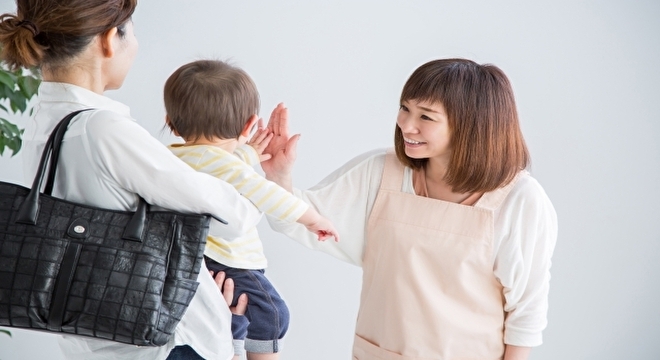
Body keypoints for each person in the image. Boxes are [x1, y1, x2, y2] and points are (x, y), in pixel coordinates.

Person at [0, 1, 262, 359]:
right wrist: (249, 165)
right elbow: (232, 217)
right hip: (166, 342)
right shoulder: (104, 130)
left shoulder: (44, 124)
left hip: (95, 343)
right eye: (133, 32)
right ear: (110, 40)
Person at [262, 58, 558, 360]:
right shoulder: (380, 172)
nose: (406, 124)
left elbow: (527, 311)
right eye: (405, 108)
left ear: (471, 125)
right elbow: (303, 220)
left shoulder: (520, 199)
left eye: (426, 117)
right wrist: (278, 176)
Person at [163, 59, 339, 359]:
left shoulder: (169, 158)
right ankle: (253, 351)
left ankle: (235, 343)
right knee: (273, 314)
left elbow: (219, 167)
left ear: (171, 123)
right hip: (229, 263)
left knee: (233, 317)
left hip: (191, 263)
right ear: (248, 125)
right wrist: (312, 218)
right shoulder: (224, 165)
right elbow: (264, 192)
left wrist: (247, 153)